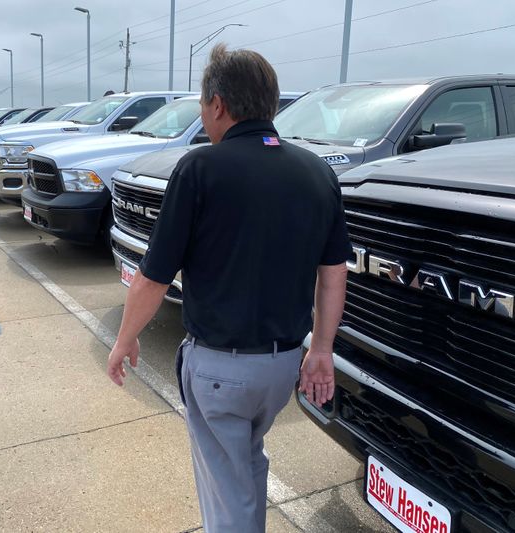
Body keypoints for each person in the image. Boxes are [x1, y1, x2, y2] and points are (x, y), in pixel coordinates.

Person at [106, 44, 351, 532]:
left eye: (202, 105)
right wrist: (321, 348)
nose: (203, 116)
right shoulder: (317, 172)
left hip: (220, 370)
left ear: (218, 104)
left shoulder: (200, 169)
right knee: (246, 468)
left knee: (227, 496)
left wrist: (124, 338)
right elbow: (333, 271)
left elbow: (154, 276)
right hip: (282, 367)